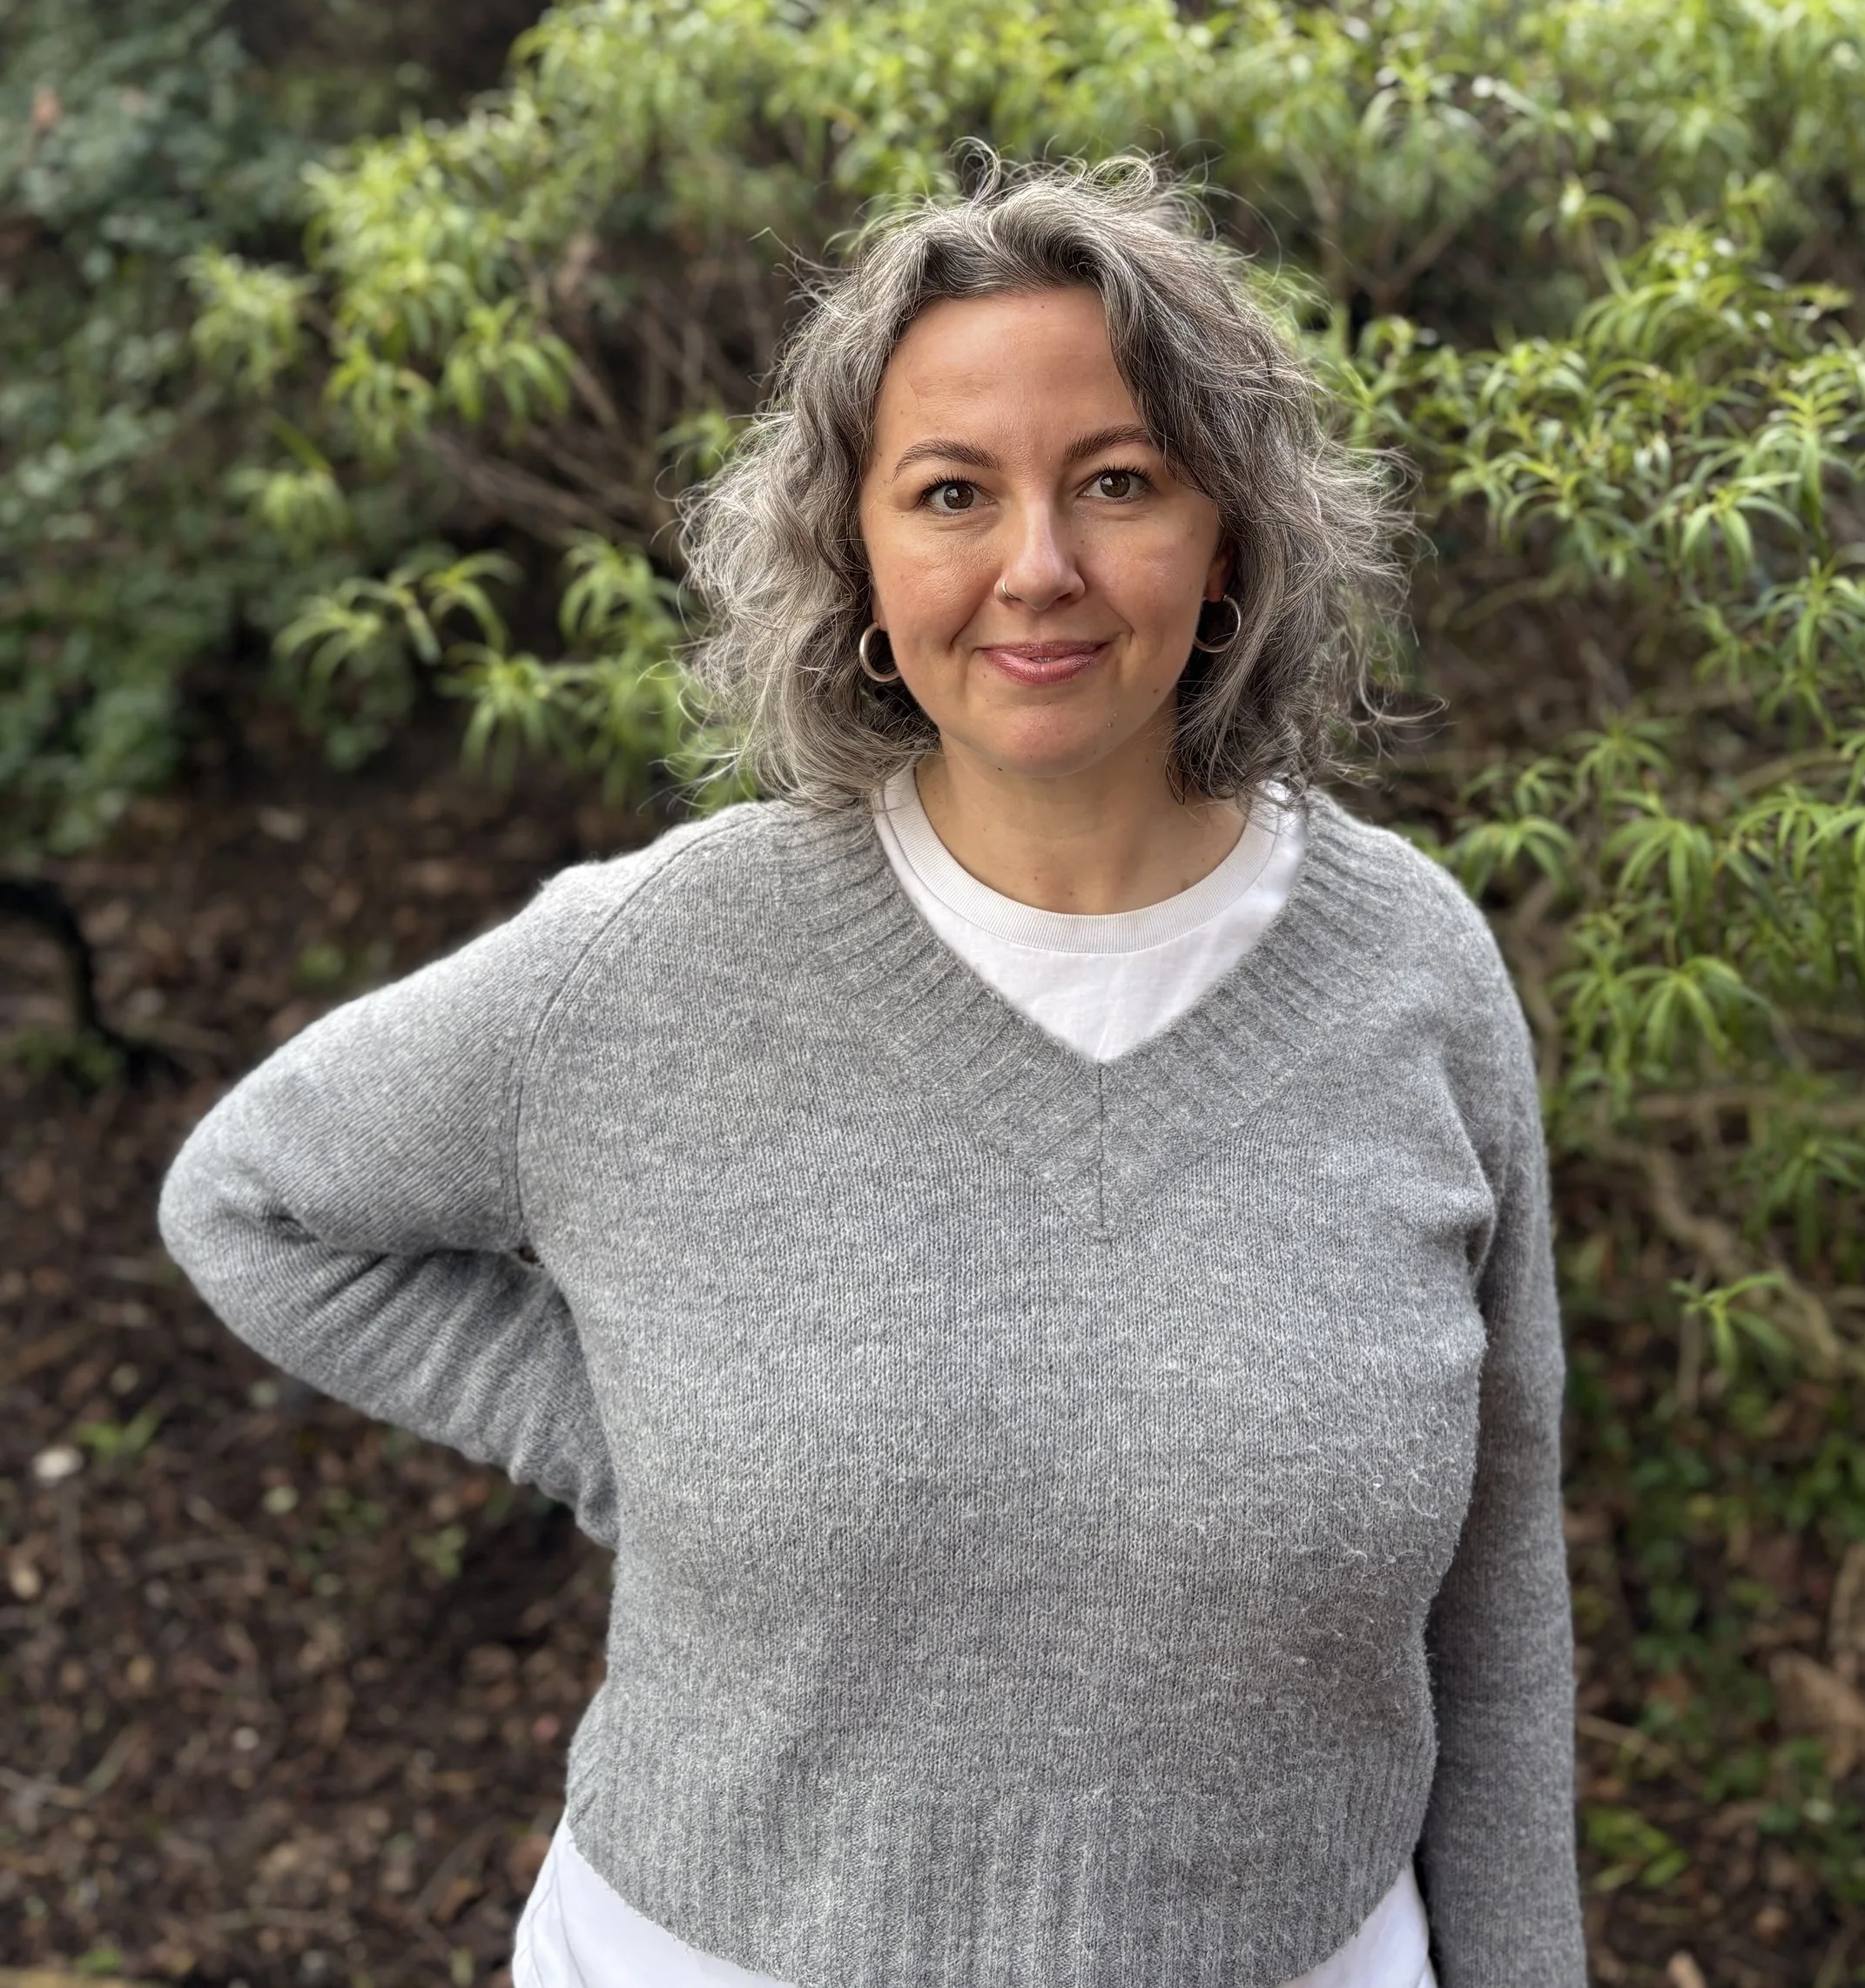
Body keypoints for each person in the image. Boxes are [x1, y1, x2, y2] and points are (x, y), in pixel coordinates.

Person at [160, 158, 1584, 1988]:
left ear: (1229, 531)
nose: (1037, 567)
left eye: (1119, 480)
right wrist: (638, 1437)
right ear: (858, 552)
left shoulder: (1415, 973)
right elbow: (253, 1201)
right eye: (949, 493)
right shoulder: (653, 964)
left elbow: (1494, 1593)